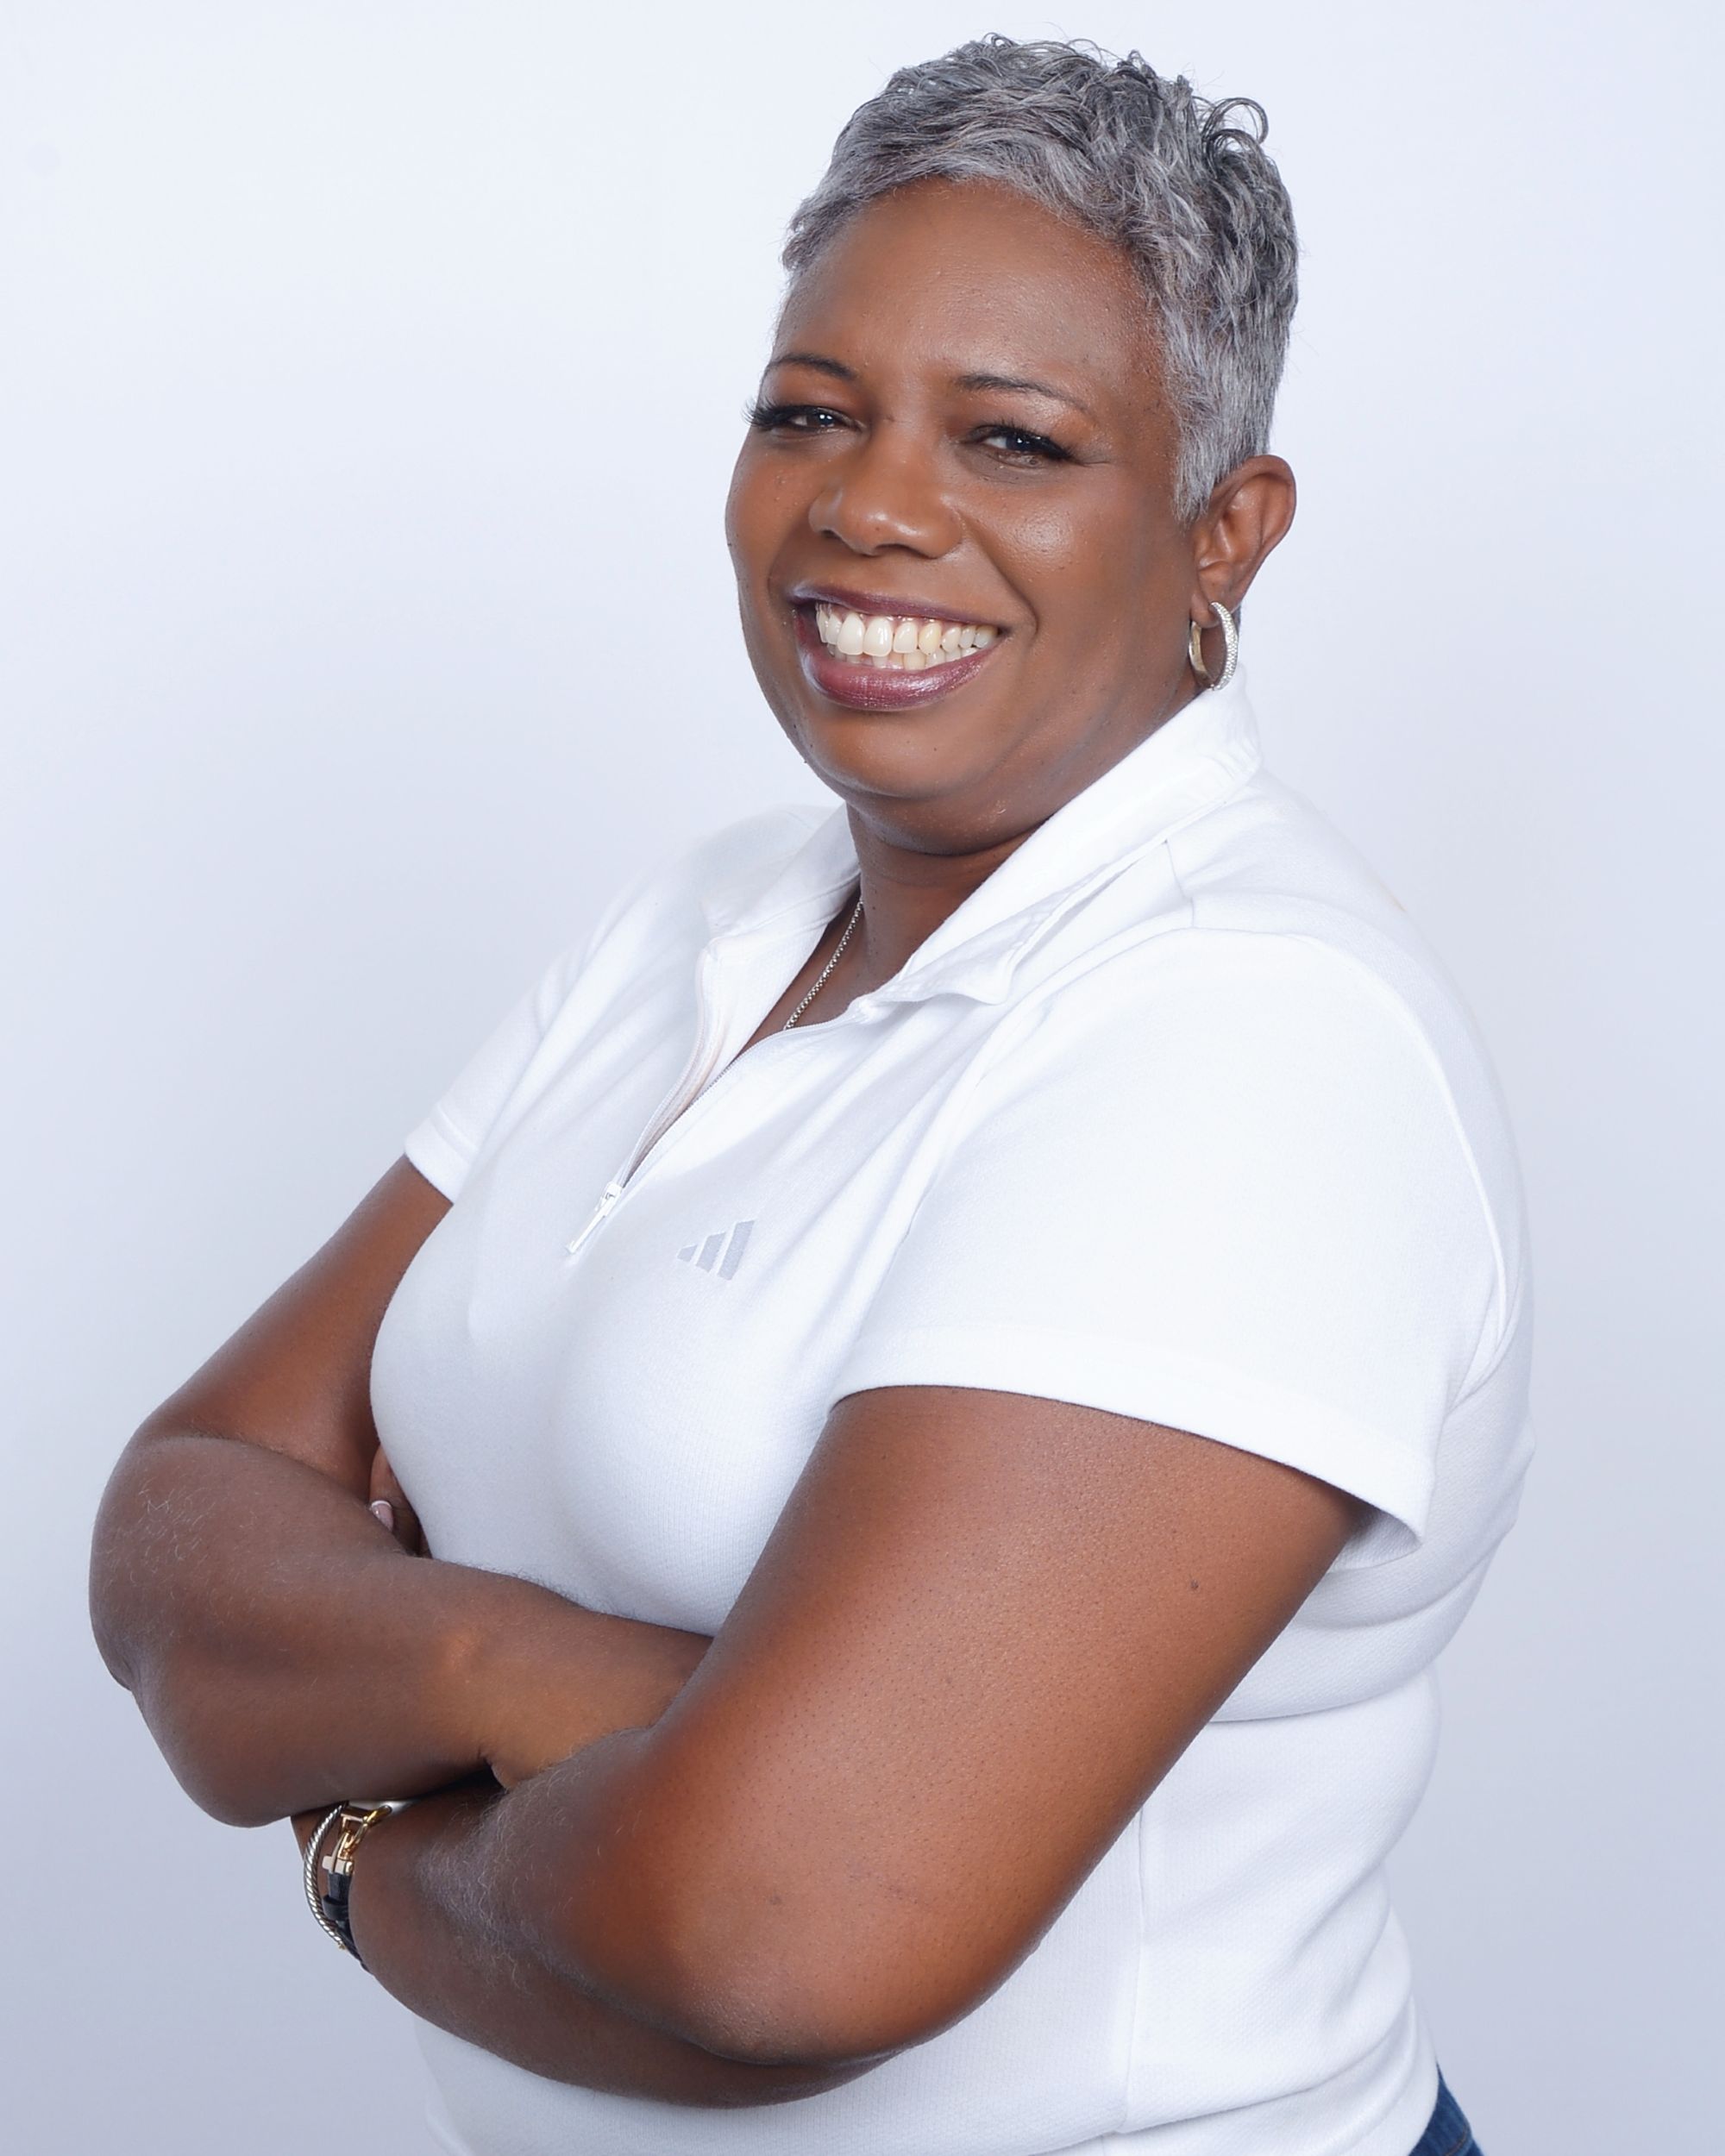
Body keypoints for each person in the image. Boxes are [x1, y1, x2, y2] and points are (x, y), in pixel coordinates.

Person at [90, 35, 1527, 2156]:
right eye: (808, 412)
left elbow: (781, 1930)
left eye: (1014, 439)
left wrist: (351, 1844)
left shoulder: (1245, 1039)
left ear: (1225, 532)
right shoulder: (713, 915)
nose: (872, 503)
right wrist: (537, 1677)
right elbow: (180, 1515)